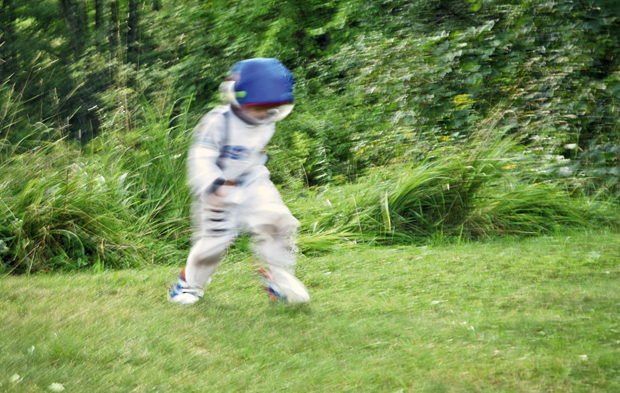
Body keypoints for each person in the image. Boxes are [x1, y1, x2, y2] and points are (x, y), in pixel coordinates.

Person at [168, 58, 310, 305]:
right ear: (238, 99)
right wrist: (213, 184)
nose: (265, 114)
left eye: (271, 108)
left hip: (252, 180)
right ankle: (188, 285)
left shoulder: (267, 120)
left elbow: (253, 152)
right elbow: (201, 156)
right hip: (217, 186)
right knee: (214, 243)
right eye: (260, 108)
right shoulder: (218, 121)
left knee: (278, 221)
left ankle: (278, 279)